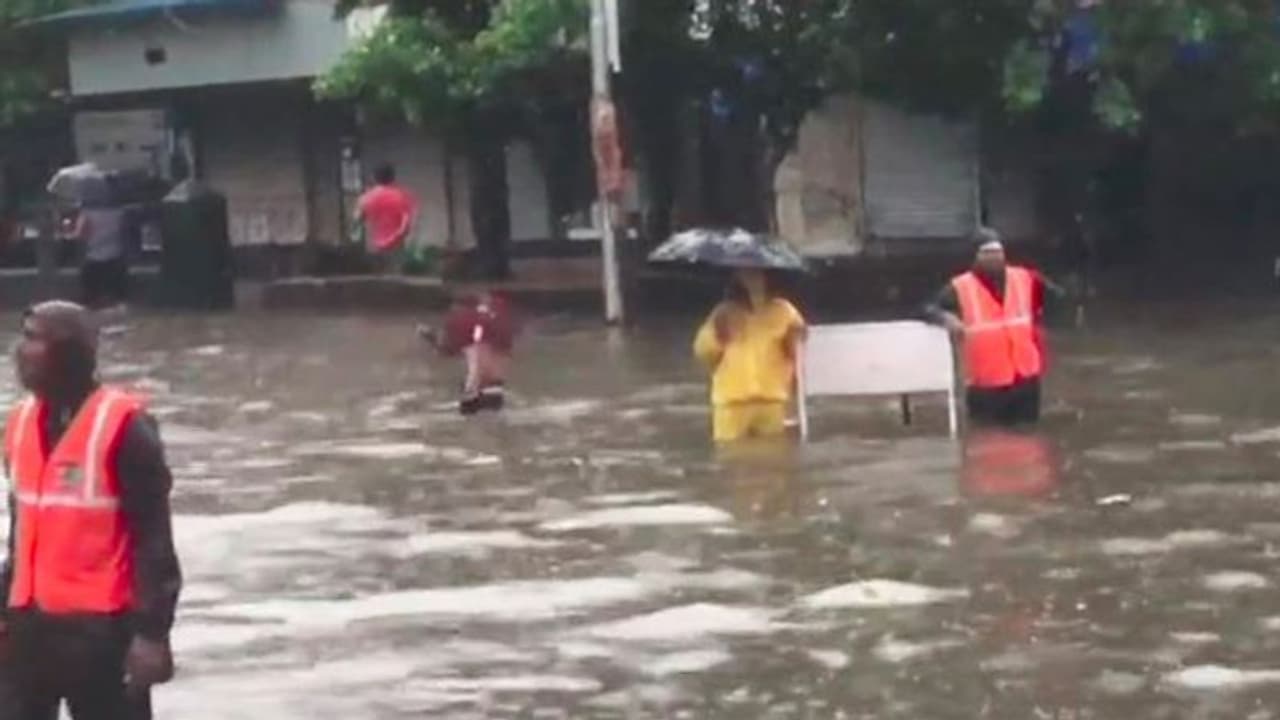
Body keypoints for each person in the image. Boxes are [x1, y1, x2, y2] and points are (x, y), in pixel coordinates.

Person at [2, 301, 182, 720]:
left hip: (103, 633)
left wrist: (152, 634)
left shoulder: (124, 427)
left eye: (33, 339)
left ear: (70, 352)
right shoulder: (20, 424)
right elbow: (22, 530)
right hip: (29, 626)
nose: (19, 351)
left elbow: (153, 539)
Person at [925, 228, 1064, 426]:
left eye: (997, 252)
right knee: (989, 441)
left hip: (1025, 379)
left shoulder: (1025, 278)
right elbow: (927, 308)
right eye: (987, 253)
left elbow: (1058, 299)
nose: (994, 258)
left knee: (1029, 439)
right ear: (975, 257)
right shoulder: (960, 287)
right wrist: (946, 318)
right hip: (986, 384)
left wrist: (1042, 323)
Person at [694, 268, 807, 443]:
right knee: (731, 457)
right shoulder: (723, 312)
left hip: (771, 399)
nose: (752, 280)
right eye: (745, 275)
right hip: (732, 402)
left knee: (772, 460)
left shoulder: (784, 311)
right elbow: (704, 353)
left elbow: (799, 352)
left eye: (756, 274)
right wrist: (718, 335)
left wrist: (796, 337)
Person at [418, 290, 517, 415]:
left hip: (476, 389)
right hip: (496, 391)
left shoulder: (465, 324)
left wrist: (430, 337)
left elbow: (449, 350)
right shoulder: (492, 324)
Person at [356, 163, 417, 273]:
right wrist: (399, 236)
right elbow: (406, 223)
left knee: (375, 279)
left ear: (374, 178)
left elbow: (357, 220)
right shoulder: (402, 196)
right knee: (396, 279)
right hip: (395, 245)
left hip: (373, 245)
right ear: (393, 178)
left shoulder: (366, 198)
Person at [71, 202, 131, 311]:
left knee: (90, 297)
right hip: (116, 257)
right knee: (118, 297)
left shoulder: (87, 213)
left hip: (94, 258)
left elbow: (80, 235)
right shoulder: (120, 211)